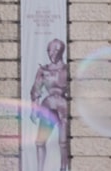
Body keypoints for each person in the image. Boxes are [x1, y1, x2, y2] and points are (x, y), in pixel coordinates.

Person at [30, 38, 69, 171]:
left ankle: (63, 168)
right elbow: (36, 89)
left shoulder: (67, 69)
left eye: (55, 50)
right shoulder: (43, 70)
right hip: (48, 105)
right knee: (40, 142)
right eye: (50, 50)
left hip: (63, 106)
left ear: (60, 51)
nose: (52, 54)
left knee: (63, 142)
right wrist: (34, 109)